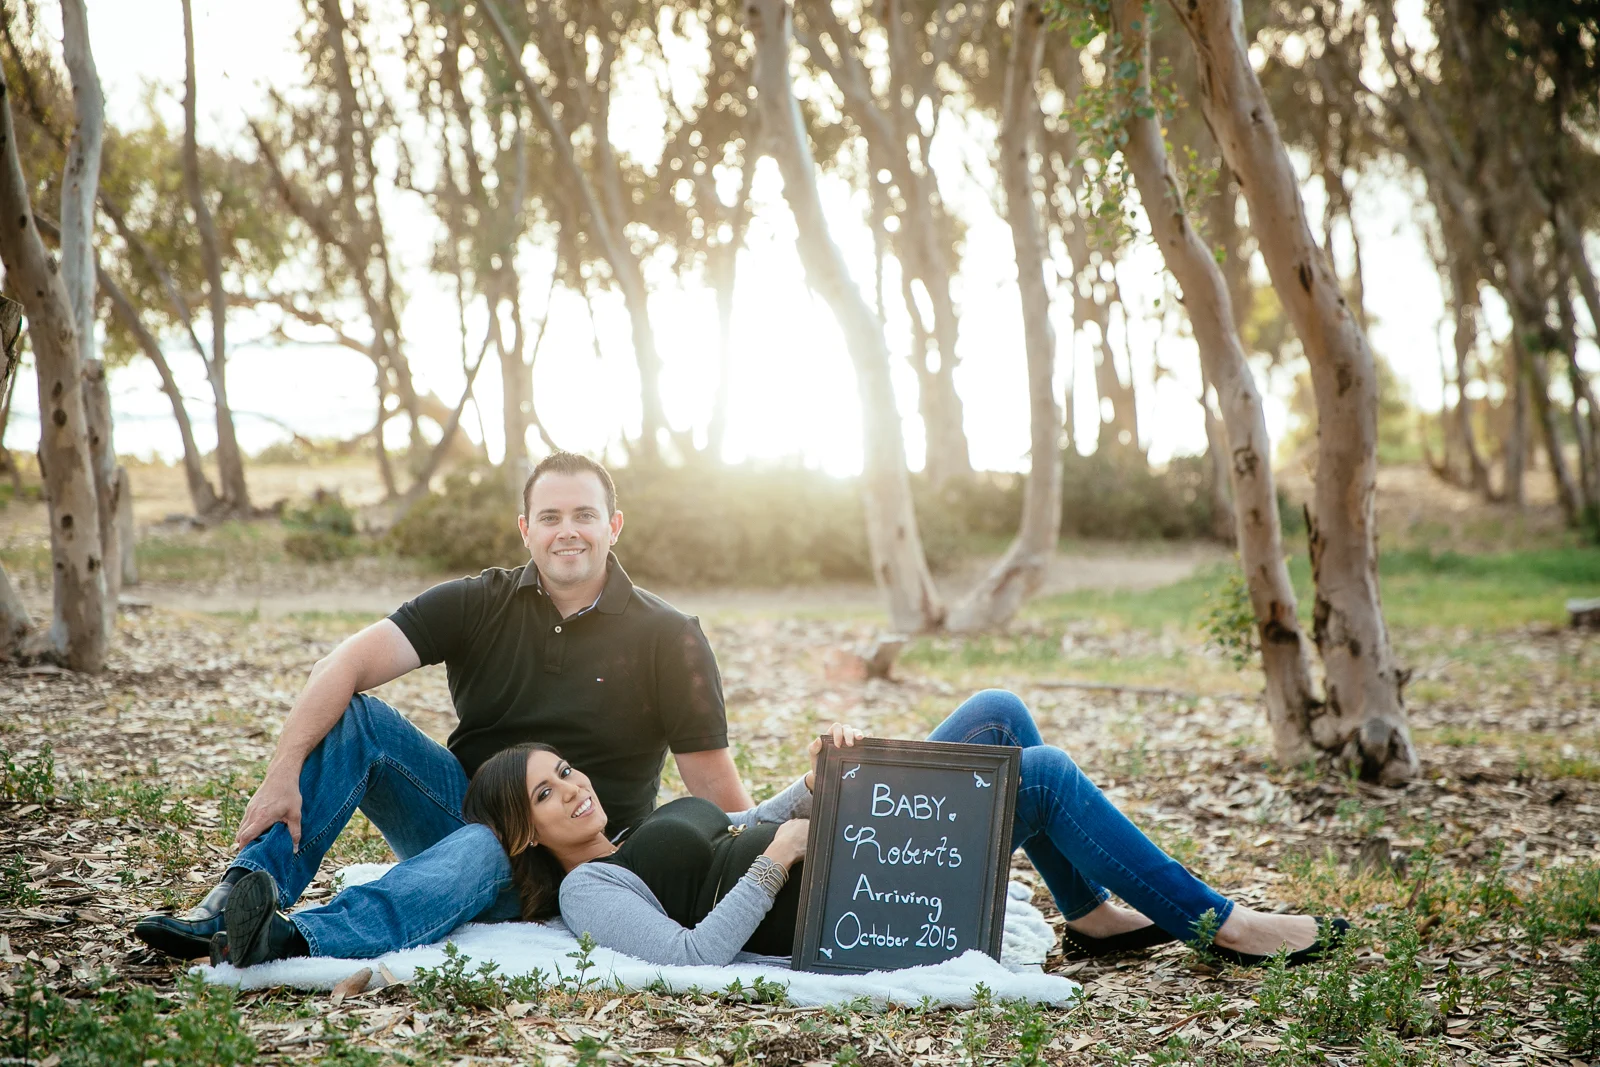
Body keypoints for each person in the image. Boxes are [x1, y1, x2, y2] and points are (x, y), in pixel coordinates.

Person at [213, 692, 1347, 969]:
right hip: (821, 896)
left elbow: (753, 816)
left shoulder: (646, 822)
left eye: (567, 774)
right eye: (546, 798)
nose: (572, 792)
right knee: (1035, 772)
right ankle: (1217, 919)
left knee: (997, 714)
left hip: (821, 844)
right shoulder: (584, 897)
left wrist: (815, 783)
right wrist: (777, 860)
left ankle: (1094, 914)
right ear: (526, 839)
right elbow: (699, 955)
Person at [136, 452, 752, 962]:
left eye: (585, 515)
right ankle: (237, 896)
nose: (568, 530)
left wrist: (759, 868)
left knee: (488, 848)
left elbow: (713, 788)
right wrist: (281, 773)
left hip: (571, 858)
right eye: (551, 516)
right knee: (361, 721)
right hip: (460, 809)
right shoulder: (478, 601)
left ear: (613, 526)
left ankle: (291, 938)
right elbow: (342, 665)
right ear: (525, 528)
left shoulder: (670, 637)